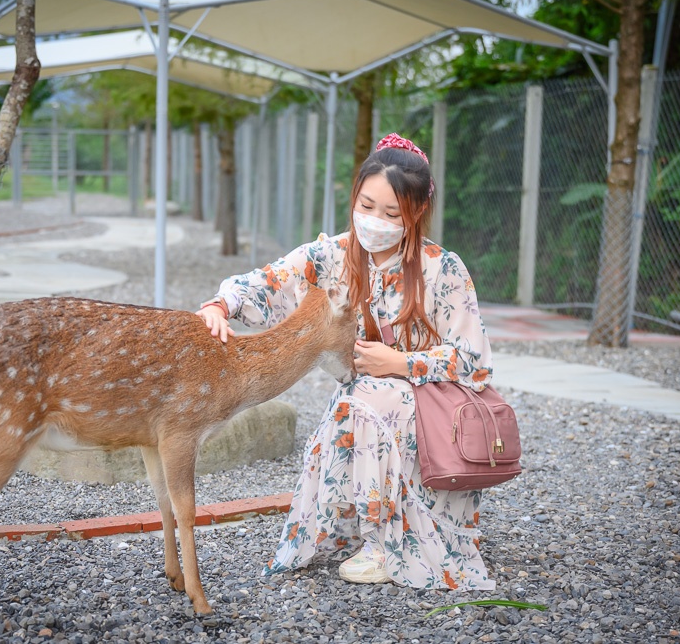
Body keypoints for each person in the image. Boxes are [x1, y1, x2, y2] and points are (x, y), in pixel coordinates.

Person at [196, 133, 495, 591]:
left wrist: (401, 363)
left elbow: (474, 359)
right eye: (367, 205)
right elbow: (269, 280)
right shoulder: (332, 255)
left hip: (434, 403)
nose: (375, 220)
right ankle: (357, 523)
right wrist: (220, 306)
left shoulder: (443, 268)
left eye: (392, 213)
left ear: (416, 213)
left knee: (366, 398)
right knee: (361, 397)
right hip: (368, 398)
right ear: (354, 197)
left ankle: (383, 544)